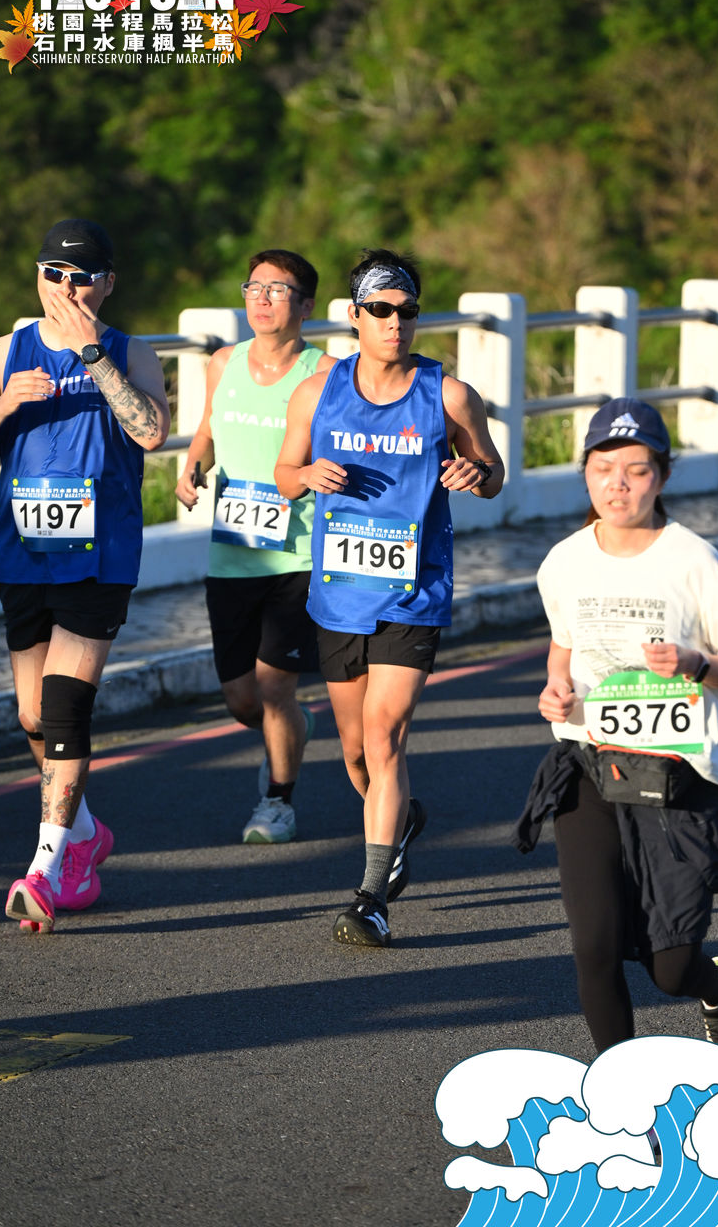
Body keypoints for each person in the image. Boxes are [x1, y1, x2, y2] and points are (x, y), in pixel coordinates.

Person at [275, 248, 504, 947]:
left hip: (413, 591)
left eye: (406, 311)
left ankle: (370, 898)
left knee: (384, 736)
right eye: (379, 310)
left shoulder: (448, 395)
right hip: (340, 594)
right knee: (355, 752)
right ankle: (398, 818)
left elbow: (493, 472)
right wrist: (307, 475)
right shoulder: (316, 392)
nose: (394, 323)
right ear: (354, 315)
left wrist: (475, 472)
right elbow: (283, 474)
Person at [533, 398, 718, 1057]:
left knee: (670, 965)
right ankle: (616, 1091)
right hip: (589, 761)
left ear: (660, 476)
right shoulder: (563, 561)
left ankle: (717, 991)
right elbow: (562, 647)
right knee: (595, 946)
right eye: (603, 469)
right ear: (584, 473)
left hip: (678, 774)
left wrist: (695, 665)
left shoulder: (694, 561)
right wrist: (555, 689)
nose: (618, 486)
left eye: (635, 471)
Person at [0, 218, 170, 933]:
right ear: (37, 276)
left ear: (107, 283)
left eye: (82, 276)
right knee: (32, 717)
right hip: (26, 553)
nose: (65, 288)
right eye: (53, 274)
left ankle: (44, 867)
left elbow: (151, 432)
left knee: (64, 709)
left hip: (101, 556)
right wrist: (5, 403)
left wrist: (92, 355)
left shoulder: (128, 351)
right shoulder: (7, 352)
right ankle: (85, 834)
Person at [175, 250, 334, 843]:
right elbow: (207, 429)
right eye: (254, 287)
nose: (262, 298)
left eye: (278, 289)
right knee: (243, 700)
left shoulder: (327, 371)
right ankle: (292, 726)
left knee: (273, 687)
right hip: (233, 552)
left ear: (306, 305)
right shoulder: (223, 363)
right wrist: (192, 467)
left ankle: (277, 802)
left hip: (300, 555)